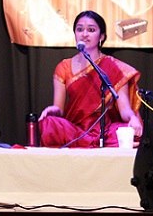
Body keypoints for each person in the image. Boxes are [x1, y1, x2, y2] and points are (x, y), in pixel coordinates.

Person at [39, 10, 143, 148]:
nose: (84, 34)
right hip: (75, 129)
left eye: (91, 30)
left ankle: (88, 143)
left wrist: (132, 118)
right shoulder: (63, 67)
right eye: (80, 29)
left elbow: (125, 110)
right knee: (49, 124)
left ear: (101, 36)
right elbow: (59, 108)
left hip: (105, 130)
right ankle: (86, 142)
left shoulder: (114, 67)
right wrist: (53, 110)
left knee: (129, 134)